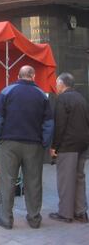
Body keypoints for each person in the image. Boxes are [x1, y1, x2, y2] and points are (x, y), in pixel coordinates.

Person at [0, 65, 53, 230]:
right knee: (33, 182)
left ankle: (6, 219)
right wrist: (44, 143)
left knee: (7, 181)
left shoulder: (7, 91)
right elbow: (48, 123)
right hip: (33, 144)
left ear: (18, 76)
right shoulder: (42, 95)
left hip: (8, 144)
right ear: (33, 76)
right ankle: (34, 219)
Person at [49, 73, 89, 223]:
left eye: (56, 84)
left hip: (68, 145)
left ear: (61, 84)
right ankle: (81, 212)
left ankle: (65, 213)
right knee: (79, 178)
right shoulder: (81, 98)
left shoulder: (62, 99)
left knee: (66, 179)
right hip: (83, 144)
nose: (56, 87)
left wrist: (54, 146)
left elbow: (60, 125)